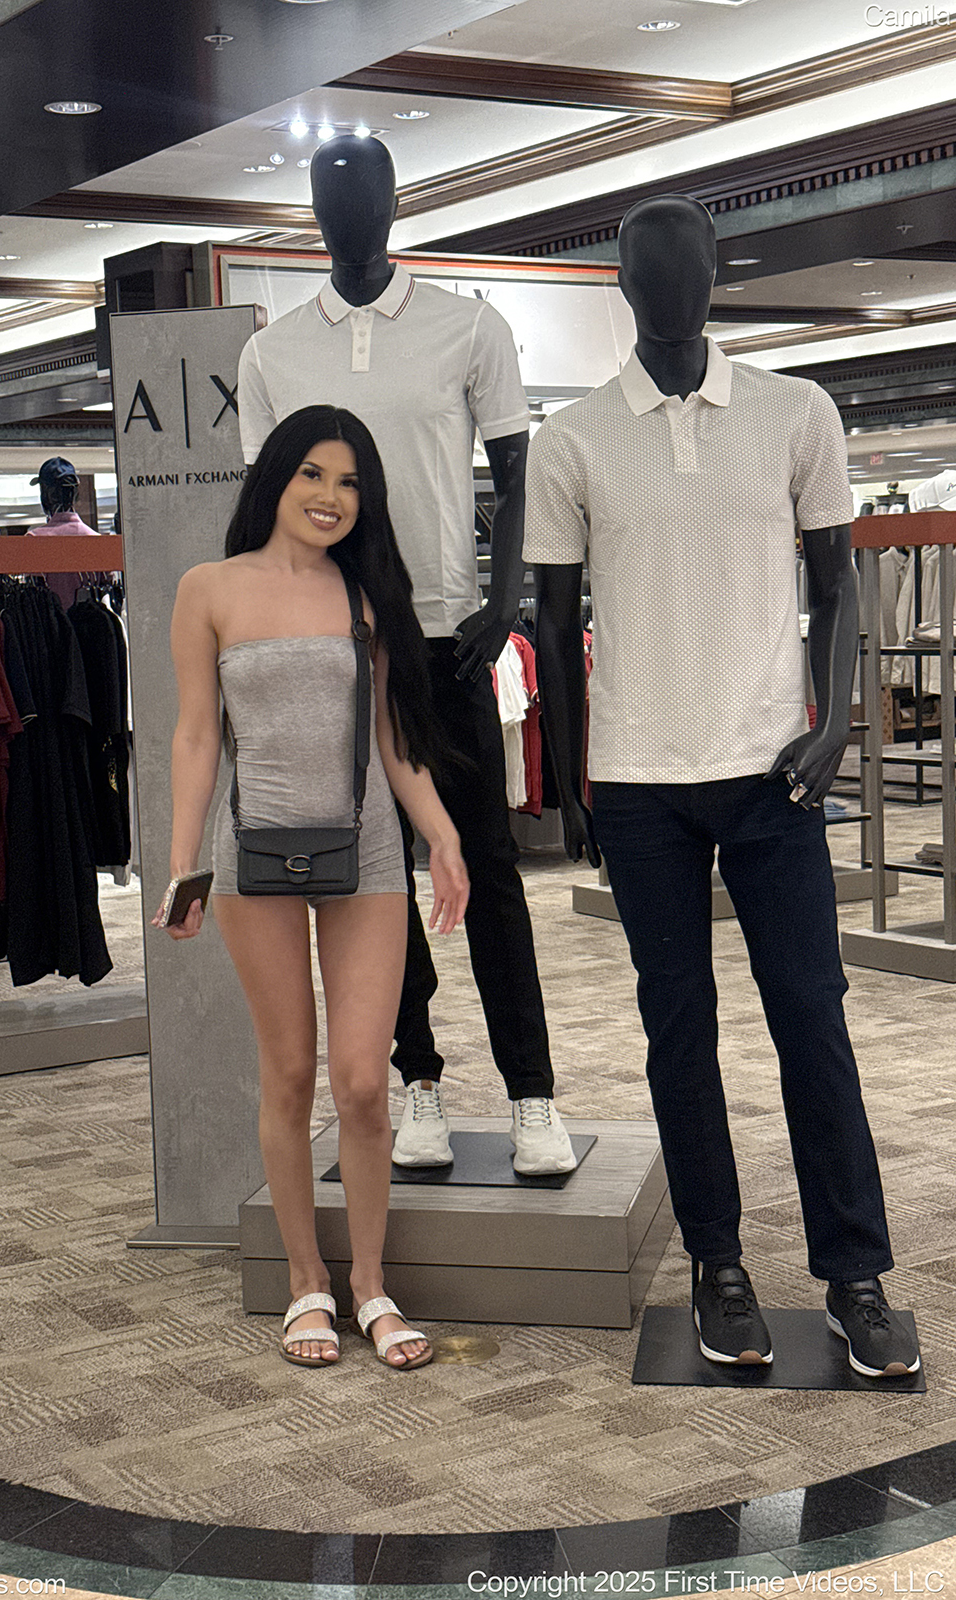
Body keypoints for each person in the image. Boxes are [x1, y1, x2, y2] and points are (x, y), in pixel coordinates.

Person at [527, 195, 919, 1380]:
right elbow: (554, 624)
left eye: (690, 268)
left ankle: (853, 1272)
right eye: (649, 272)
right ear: (622, 285)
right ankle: (717, 1264)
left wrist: (833, 723)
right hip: (638, 779)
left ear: (714, 275)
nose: (672, 289)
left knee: (811, 1016)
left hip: (770, 774)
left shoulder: (794, 412)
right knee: (677, 1028)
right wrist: (571, 779)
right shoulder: (571, 438)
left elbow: (835, 586)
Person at [237, 134, 576, 1177]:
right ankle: (416, 1078)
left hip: (444, 639)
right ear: (311, 212)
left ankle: (531, 1095)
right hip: (334, 646)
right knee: (373, 883)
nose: (350, 211)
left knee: (487, 868)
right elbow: (269, 511)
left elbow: (517, 475)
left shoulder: (466, 326)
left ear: (394, 204)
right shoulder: (271, 353)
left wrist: (506, 600)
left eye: (367, 192)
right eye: (329, 196)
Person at [155, 405, 469, 1370]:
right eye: (314, 475)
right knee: (289, 1073)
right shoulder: (209, 588)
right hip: (254, 857)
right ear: (277, 477)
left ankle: (370, 1284)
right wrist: (183, 864)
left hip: (365, 856)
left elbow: (393, 737)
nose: (331, 497)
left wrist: (442, 836)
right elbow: (196, 735)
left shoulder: (366, 596)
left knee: (363, 1081)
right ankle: (307, 1283)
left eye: (350, 483)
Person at [26, 456, 103, 609]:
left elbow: (33, 595)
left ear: (47, 495)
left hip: (51, 622)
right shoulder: (97, 540)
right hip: (94, 622)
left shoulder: (34, 540)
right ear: (76, 494)